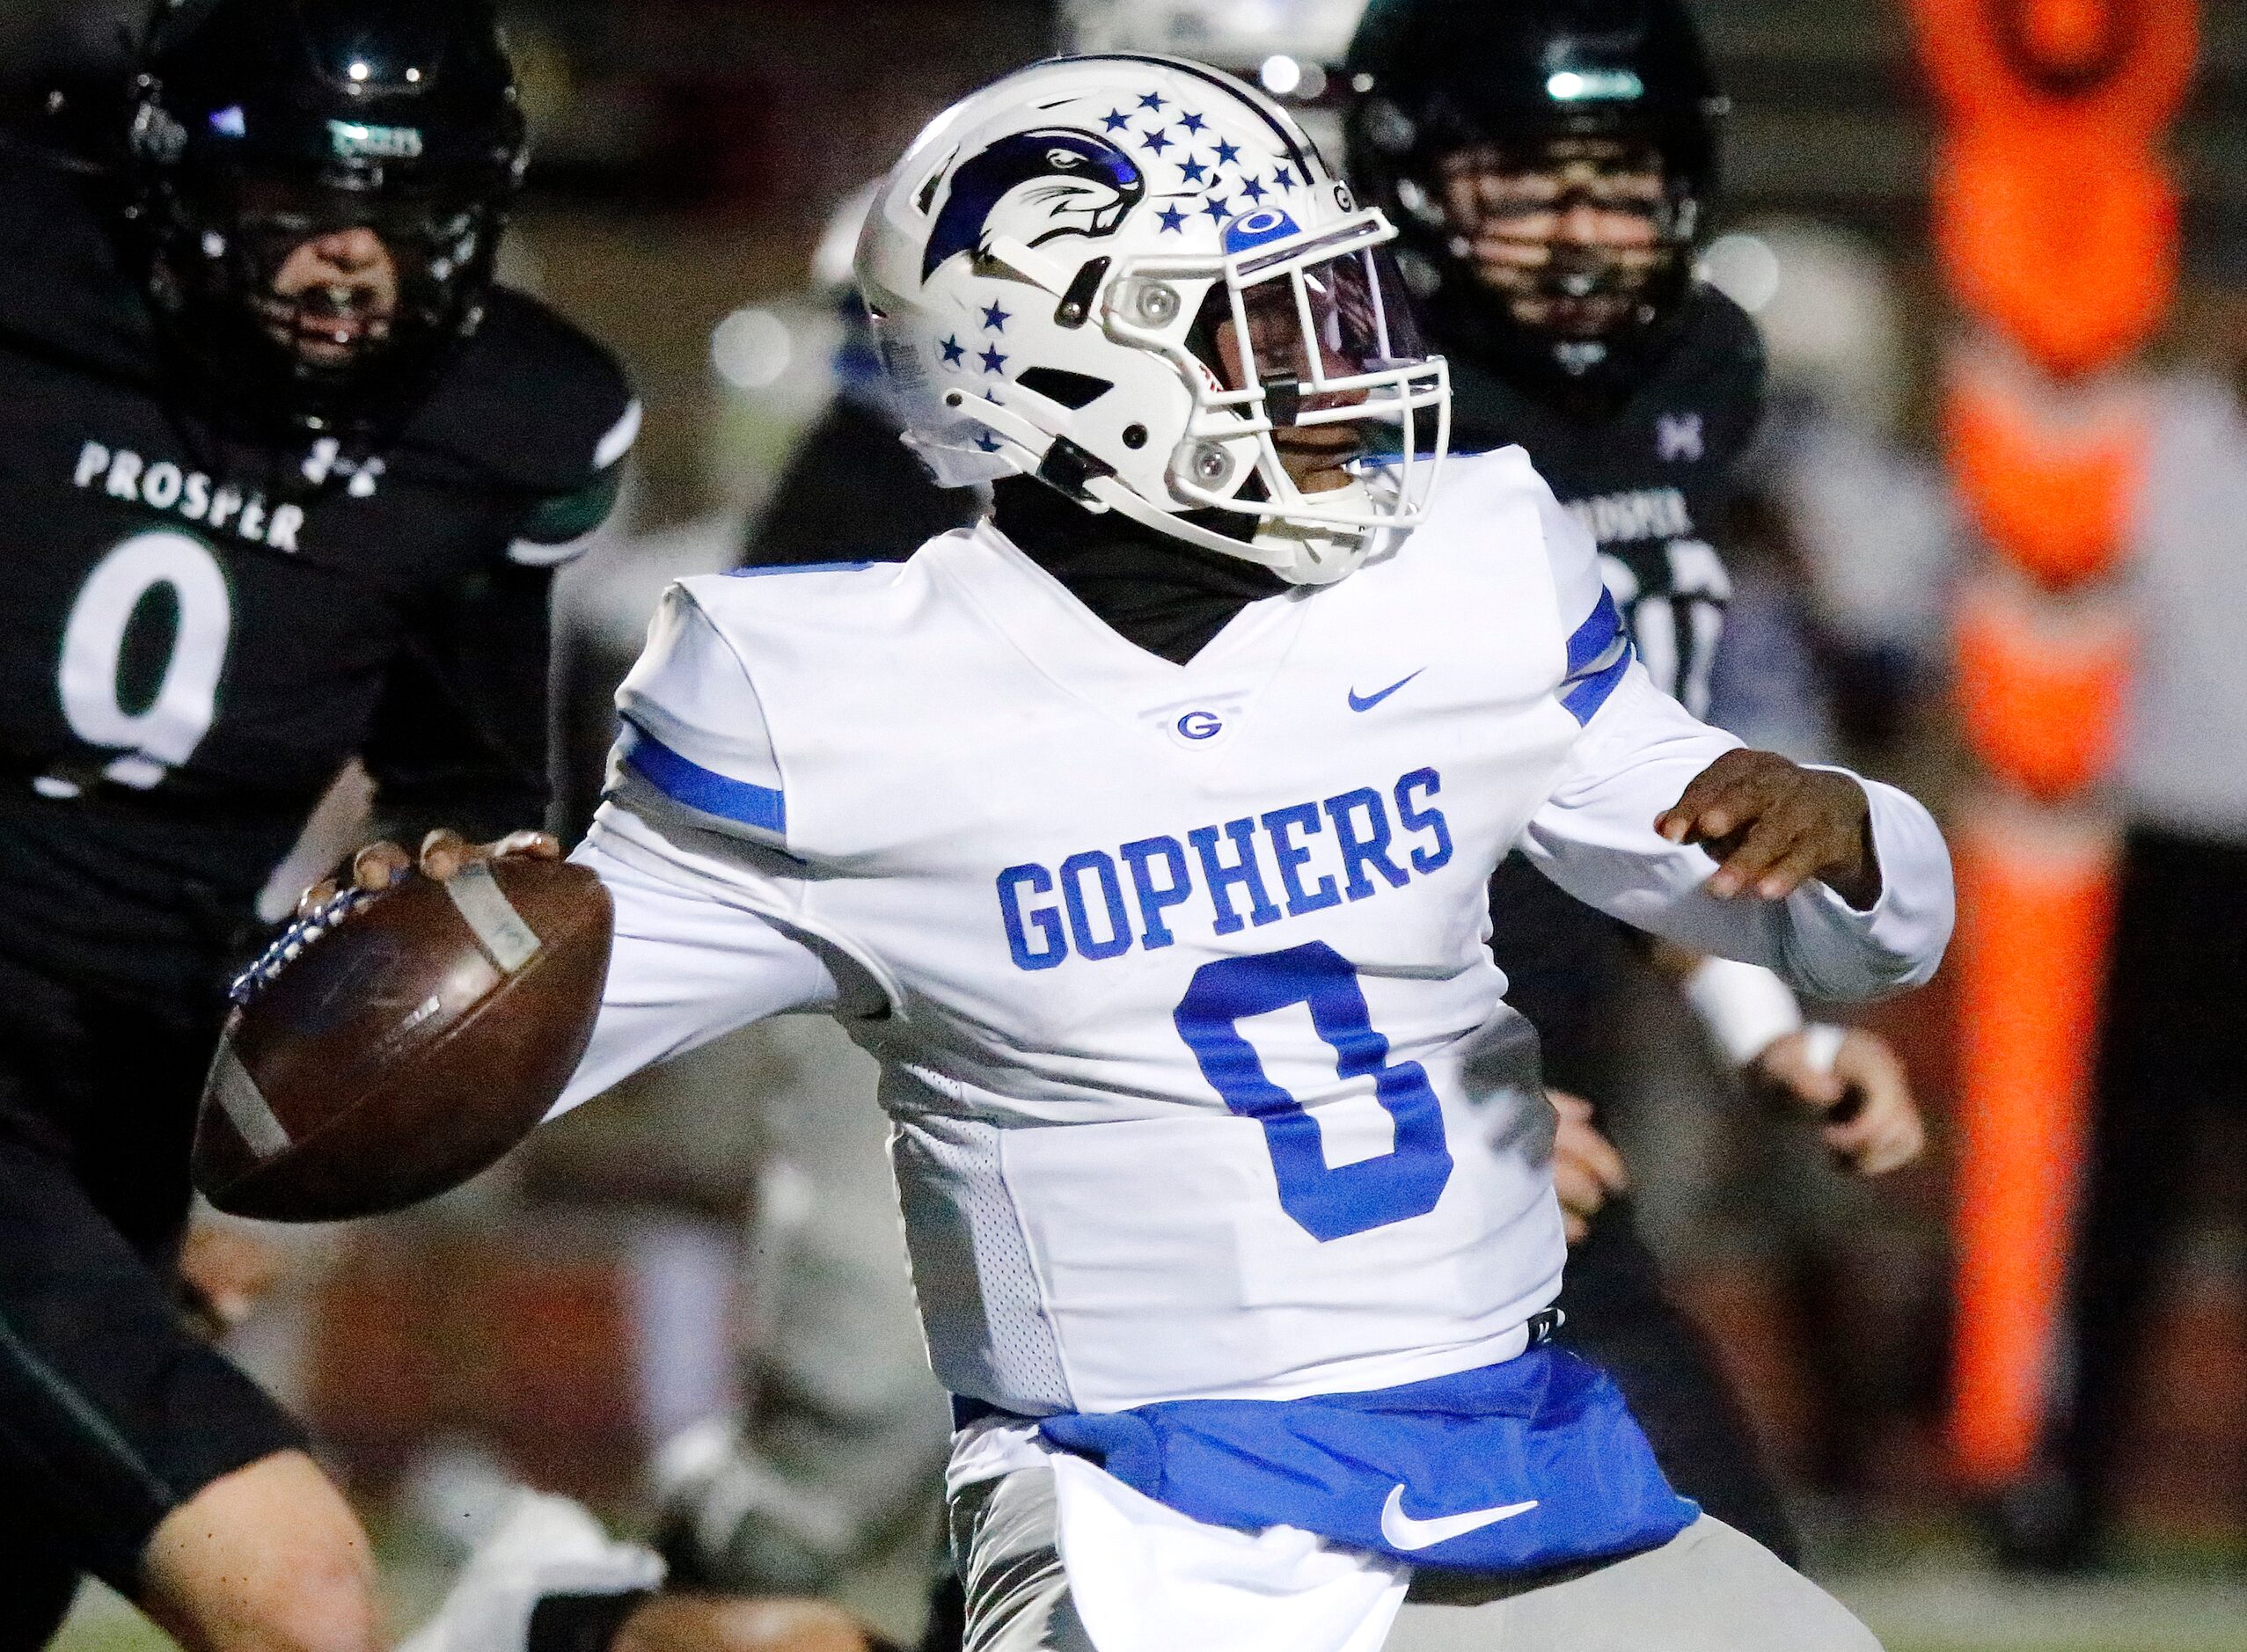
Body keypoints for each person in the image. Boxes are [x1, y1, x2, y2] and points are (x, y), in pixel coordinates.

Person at [324, 52, 1951, 1652]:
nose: (1341, 373)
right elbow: (481, 1047)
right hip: (1150, 1510)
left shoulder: (1462, 561)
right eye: (1268, 327)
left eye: (1334, 311)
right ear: (1067, 361)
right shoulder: (825, 701)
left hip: (1518, 1445)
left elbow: (1829, 925)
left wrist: (1852, 840)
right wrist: (364, 1005)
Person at [0, 2, 639, 1647]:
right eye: (296, 206)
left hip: (117, 1069)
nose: (347, 263)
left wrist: (305, 1051)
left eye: (403, 217)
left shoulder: (504, 421)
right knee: (290, 1577)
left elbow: (471, 783)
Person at [1344, 0, 1928, 1561]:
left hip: (1561, 1140)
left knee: (1734, 1581)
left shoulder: (1694, 375)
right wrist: (1425, 1084)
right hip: (1329, 1162)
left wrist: (1764, 1024)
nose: (1584, 231)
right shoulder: (1336, 412)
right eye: (1530, 185)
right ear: (1408, 174)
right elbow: (1242, 803)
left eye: (1619, 180)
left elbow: (1628, 772)